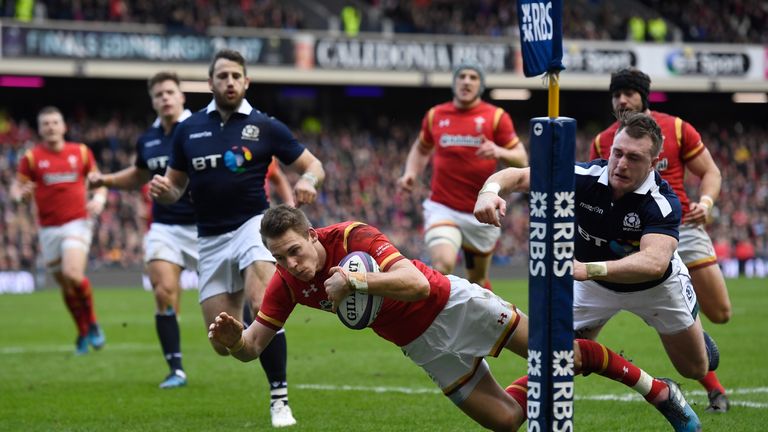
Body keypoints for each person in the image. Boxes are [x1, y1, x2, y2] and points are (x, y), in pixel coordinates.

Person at [209, 204, 701, 432]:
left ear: (313, 236)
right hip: (423, 347)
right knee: (507, 420)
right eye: (281, 259)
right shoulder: (285, 282)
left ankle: (658, 391)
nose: (292, 265)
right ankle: (536, 380)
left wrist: (357, 281)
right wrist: (233, 340)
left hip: (454, 304)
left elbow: (418, 283)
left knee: (562, 357)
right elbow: (253, 346)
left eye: (296, 252)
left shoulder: (353, 237)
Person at [476, 112, 720, 424]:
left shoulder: (662, 202)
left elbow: (654, 262)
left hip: (656, 288)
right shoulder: (584, 176)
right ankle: (659, 391)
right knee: (561, 354)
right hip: (594, 285)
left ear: (655, 161)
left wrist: (589, 269)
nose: (621, 164)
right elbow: (517, 176)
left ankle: (697, 336)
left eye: (634, 157)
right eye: (617, 153)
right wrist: (489, 193)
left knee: (696, 369)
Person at [149, 49, 325, 428]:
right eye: (222, 75)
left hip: (252, 225)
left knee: (263, 300)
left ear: (246, 82)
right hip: (209, 239)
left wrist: (308, 179)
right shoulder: (187, 130)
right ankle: (253, 331)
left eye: (236, 76)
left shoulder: (266, 126)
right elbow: (176, 187)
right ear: (210, 83)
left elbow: (312, 164)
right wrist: (164, 191)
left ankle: (280, 400)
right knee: (221, 343)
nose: (229, 81)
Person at [590, 68, 730, 412]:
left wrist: (707, 203)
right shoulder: (603, 140)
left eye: (629, 93)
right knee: (659, 302)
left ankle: (691, 323)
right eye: (616, 94)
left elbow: (711, 172)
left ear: (644, 96)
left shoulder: (677, 128)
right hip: (633, 238)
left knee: (721, 312)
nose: (622, 100)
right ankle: (715, 390)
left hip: (683, 227)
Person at [88, 71, 194, 389]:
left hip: (209, 228)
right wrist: (105, 180)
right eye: (159, 94)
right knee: (163, 292)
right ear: (153, 101)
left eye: (170, 92)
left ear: (181, 96)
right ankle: (176, 369)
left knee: (232, 302)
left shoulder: (200, 128)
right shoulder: (147, 139)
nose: (165, 98)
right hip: (164, 227)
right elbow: (138, 175)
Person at [397, 58, 528, 289]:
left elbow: (521, 159)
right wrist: (410, 173)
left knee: (477, 280)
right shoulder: (435, 115)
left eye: (473, 77)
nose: (466, 81)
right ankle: (438, 318)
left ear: (481, 85)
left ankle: (479, 315)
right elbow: (421, 148)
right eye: (462, 76)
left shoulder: (496, 117)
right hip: (443, 207)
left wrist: (498, 150)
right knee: (442, 264)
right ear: (454, 82)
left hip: (482, 210)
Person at [11, 106, 107, 355]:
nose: (51, 127)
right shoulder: (31, 158)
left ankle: (94, 323)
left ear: (64, 126)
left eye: (55, 122)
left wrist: (98, 199)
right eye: (46, 124)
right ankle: (83, 332)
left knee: (73, 274)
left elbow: (100, 184)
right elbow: (17, 191)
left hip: (77, 222)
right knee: (65, 285)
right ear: (40, 129)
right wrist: (22, 196)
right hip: (48, 228)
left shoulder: (81, 152)